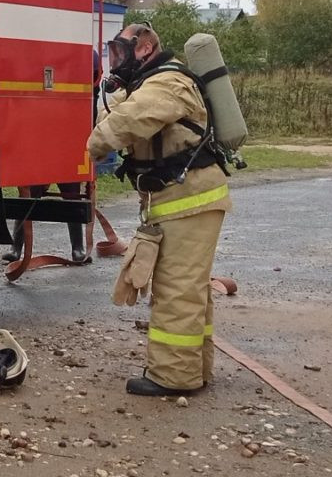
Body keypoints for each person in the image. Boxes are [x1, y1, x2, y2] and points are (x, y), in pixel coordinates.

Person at [88, 23, 230, 396]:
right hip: (177, 201)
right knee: (190, 287)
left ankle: (172, 377)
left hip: (190, 201)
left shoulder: (168, 83)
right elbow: (113, 114)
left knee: (177, 287)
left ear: (146, 47)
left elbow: (122, 124)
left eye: (121, 51)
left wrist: (93, 143)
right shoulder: (147, 85)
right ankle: (196, 369)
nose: (115, 61)